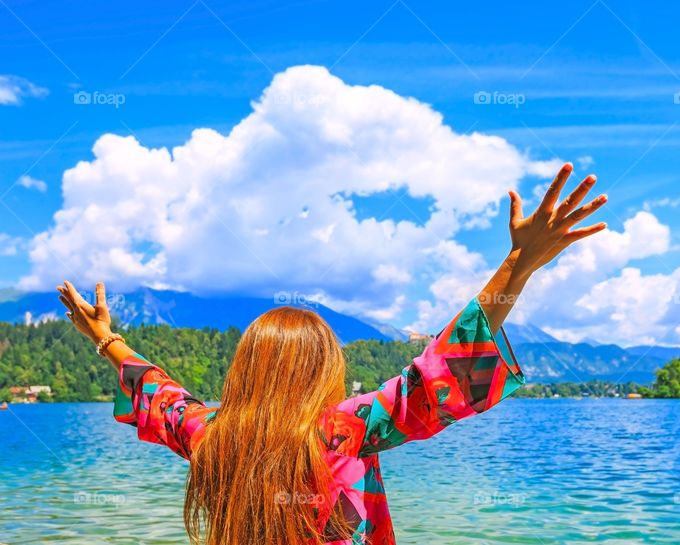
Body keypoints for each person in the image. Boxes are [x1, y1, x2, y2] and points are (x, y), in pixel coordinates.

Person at [56, 163, 607, 545]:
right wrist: (519, 264)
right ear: (324, 372)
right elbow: (438, 371)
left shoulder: (211, 436)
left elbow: (159, 393)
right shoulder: (344, 429)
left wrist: (105, 339)